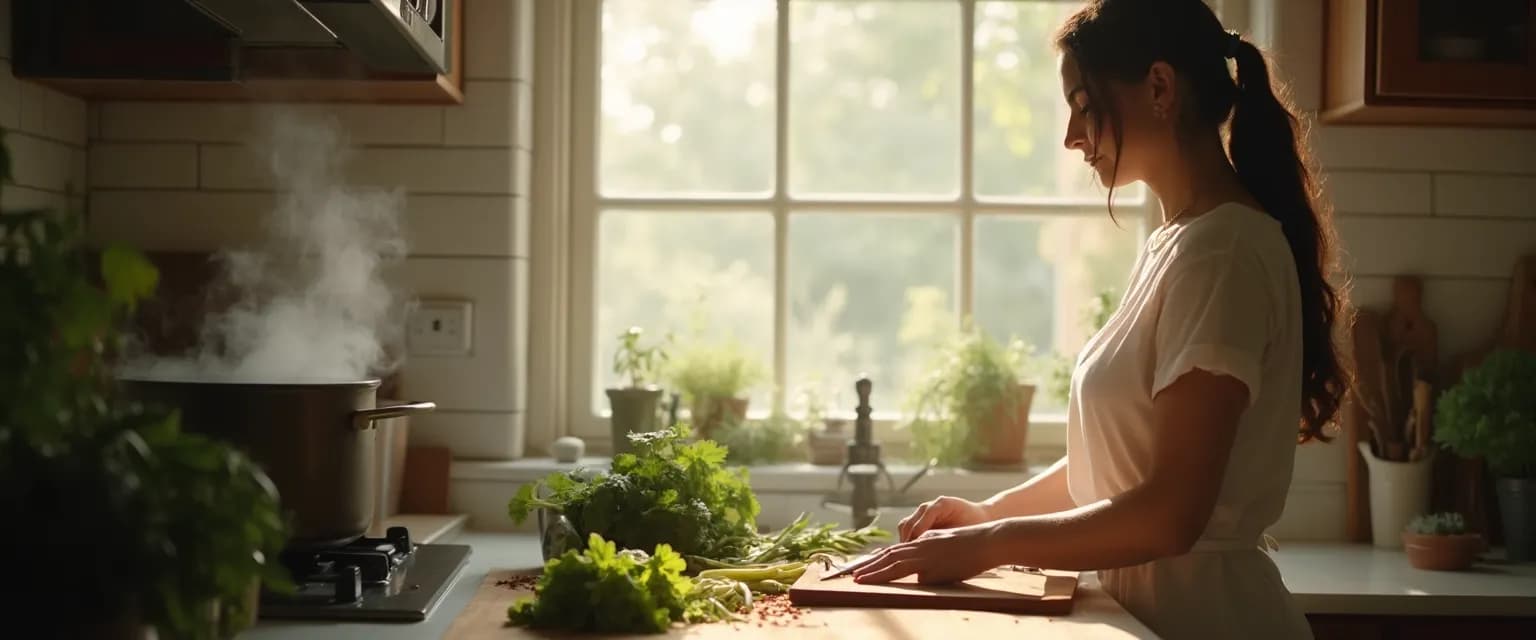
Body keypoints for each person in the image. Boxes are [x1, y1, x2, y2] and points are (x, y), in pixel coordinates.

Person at [849, 1, 1349, 638]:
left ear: (1160, 88)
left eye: (1083, 104)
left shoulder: (1223, 253)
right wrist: (984, 515)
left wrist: (992, 543)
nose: (1071, 136)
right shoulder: (1182, 242)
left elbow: (1169, 515)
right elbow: (1114, 470)